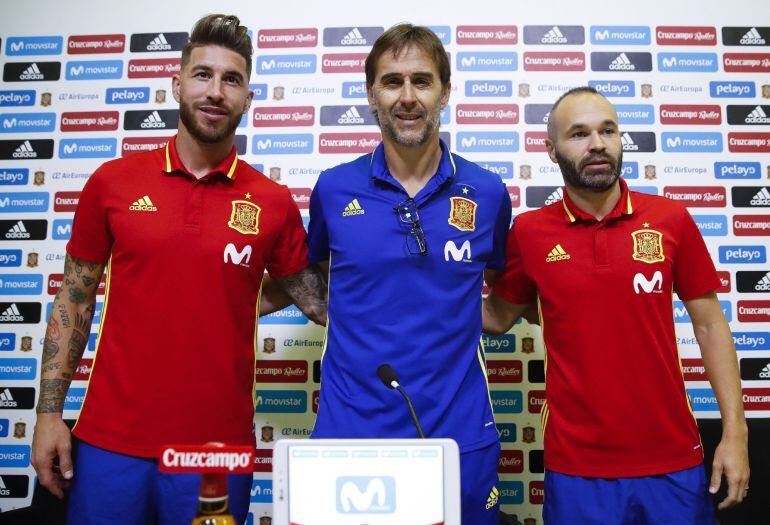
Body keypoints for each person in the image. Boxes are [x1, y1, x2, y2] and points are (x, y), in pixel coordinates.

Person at [31, 14, 326, 525]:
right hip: (109, 442)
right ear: (177, 83)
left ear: (248, 98)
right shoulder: (113, 181)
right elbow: (75, 298)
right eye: (203, 74)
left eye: (231, 79)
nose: (216, 91)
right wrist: (48, 414)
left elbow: (319, 302)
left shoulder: (273, 201)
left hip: (217, 450)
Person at [483, 86, 750, 524]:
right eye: (579, 134)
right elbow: (496, 318)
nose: (597, 144)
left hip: (673, 460)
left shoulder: (670, 219)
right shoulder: (529, 232)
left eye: (608, 130)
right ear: (551, 150)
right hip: (577, 469)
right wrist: (424, 287)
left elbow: (710, 326)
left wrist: (735, 434)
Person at [306, 24, 511, 524]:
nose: (407, 97)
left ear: (445, 91)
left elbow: (508, 299)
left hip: (459, 433)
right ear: (370, 94)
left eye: (422, 81)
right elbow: (309, 280)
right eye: (392, 81)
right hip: (351, 433)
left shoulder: (487, 193)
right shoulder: (333, 189)